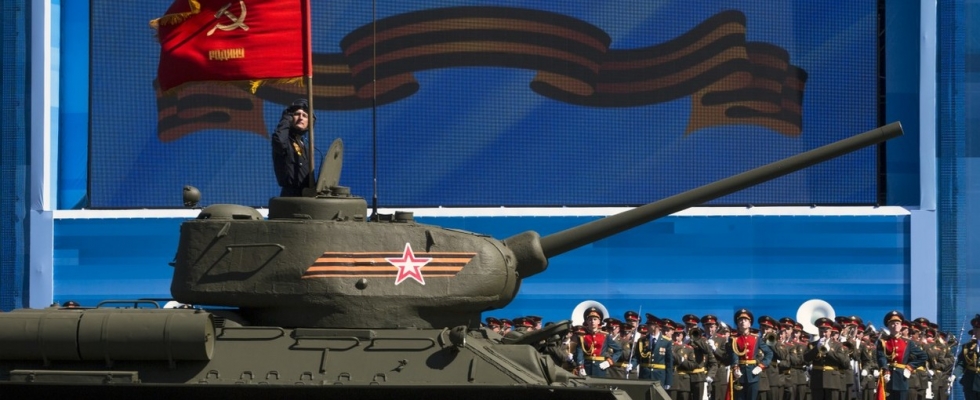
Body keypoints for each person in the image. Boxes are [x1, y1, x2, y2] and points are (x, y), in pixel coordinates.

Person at [877, 310, 928, 400]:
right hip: (889, 376)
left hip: (902, 376)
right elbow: (881, 357)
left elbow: (923, 356)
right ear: (888, 326)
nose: (895, 325)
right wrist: (885, 369)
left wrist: (910, 367)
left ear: (901, 326)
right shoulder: (883, 342)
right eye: (892, 323)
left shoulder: (907, 342)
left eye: (897, 323)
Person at [728, 309, 774, 400]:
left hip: (753, 374)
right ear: (737, 324)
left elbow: (769, 353)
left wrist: (761, 366)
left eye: (745, 320)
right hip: (739, 374)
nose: (742, 322)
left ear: (750, 323)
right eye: (740, 320)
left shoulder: (756, 338)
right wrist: (735, 367)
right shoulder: (734, 339)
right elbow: (734, 354)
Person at [272, 99, 313, 197]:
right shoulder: (285, 140)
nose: (301, 118)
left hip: (306, 196)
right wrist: (286, 118)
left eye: (305, 115)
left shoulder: (304, 144)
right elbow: (280, 142)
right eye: (297, 114)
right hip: (290, 196)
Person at [573, 306, 623, 378]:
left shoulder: (605, 336)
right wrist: (580, 366)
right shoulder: (583, 337)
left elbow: (619, 350)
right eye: (590, 319)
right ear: (587, 321)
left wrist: (609, 362)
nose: (592, 321)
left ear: (599, 321)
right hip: (587, 367)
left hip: (600, 367)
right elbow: (579, 353)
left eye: (595, 319)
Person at [953, 315, 980, 400]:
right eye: (974, 329)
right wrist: (954, 375)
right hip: (970, 383)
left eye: (977, 329)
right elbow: (961, 363)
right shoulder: (967, 347)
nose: (975, 331)